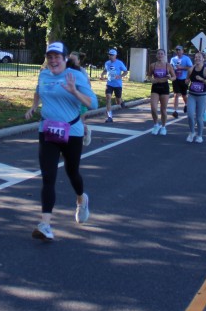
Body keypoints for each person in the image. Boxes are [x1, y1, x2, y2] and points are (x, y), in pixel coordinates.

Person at [23, 41, 97, 242]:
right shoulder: (43, 75)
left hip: (72, 131)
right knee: (48, 177)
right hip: (48, 130)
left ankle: (81, 199)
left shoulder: (76, 76)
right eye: (50, 57)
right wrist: (34, 106)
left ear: (65, 59)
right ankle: (45, 224)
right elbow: (38, 90)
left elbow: (93, 103)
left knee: (72, 173)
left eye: (57, 57)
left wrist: (74, 91)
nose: (53, 61)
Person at [185, 51, 206, 143]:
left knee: (199, 117)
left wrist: (202, 79)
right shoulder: (191, 69)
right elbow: (187, 80)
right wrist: (187, 81)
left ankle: (200, 135)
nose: (197, 58)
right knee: (190, 115)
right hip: (192, 95)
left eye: (199, 57)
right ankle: (192, 132)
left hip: (202, 96)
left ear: (203, 59)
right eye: (196, 57)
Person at [68, 52, 92, 146]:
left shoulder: (82, 71)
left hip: (80, 100)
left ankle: (85, 132)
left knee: (79, 122)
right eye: (71, 59)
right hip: (70, 101)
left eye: (74, 60)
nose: (72, 61)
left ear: (78, 61)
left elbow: (88, 85)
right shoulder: (66, 69)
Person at [146, 49, 171, 135]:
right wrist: (151, 79)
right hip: (155, 87)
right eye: (158, 54)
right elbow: (149, 76)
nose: (160, 55)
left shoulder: (168, 65)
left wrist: (170, 77)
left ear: (164, 55)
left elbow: (174, 77)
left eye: (162, 54)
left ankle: (163, 127)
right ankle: (156, 125)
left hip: (164, 88)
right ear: (156, 55)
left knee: (163, 110)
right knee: (153, 108)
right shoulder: (153, 65)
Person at [101, 48, 128, 123]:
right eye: (110, 55)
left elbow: (125, 71)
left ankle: (121, 102)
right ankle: (109, 117)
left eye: (112, 55)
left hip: (118, 84)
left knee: (118, 101)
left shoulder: (119, 63)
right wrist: (102, 75)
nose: (111, 56)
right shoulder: (107, 63)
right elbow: (106, 70)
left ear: (115, 56)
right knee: (108, 97)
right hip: (109, 83)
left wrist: (120, 76)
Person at [169, 45, 193, 118]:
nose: (178, 51)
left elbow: (191, 67)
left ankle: (186, 104)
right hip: (176, 79)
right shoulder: (173, 59)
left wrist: (182, 67)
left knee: (184, 95)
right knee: (176, 94)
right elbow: (170, 68)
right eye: (177, 50)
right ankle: (175, 111)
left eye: (179, 50)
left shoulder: (186, 58)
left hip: (184, 79)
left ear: (182, 51)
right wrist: (171, 70)